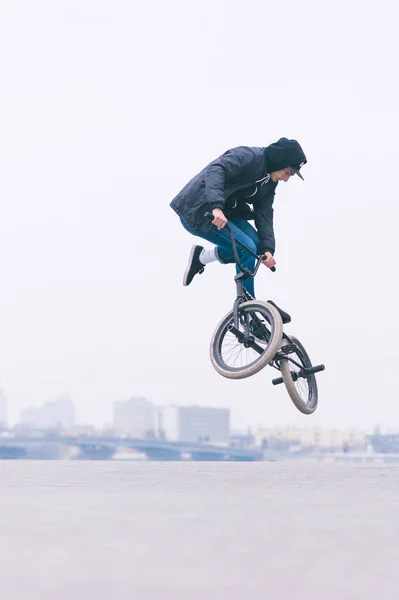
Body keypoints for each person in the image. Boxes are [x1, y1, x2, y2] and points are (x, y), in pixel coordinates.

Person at [170, 137, 307, 298]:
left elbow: (265, 214)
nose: (286, 179)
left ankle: (201, 258)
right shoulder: (250, 156)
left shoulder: (269, 183)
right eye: (287, 173)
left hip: (225, 213)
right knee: (247, 248)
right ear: (280, 161)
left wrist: (268, 249)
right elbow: (216, 170)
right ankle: (247, 305)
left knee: (256, 248)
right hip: (199, 210)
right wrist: (216, 207)